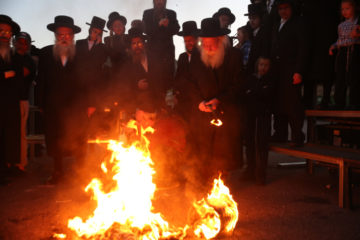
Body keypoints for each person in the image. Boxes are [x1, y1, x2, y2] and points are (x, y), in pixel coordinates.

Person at [186, 18, 244, 185]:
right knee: (203, 154)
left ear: (220, 40)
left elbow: (239, 84)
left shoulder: (234, 56)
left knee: (223, 156)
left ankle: (221, 187)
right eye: (204, 44)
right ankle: (204, 186)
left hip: (226, 113)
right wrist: (198, 102)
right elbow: (189, 82)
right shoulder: (197, 57)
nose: (208, 48)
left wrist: (220, 100)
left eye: (211, 44)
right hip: (202, 113)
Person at [36, 15, 86, 184]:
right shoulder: (45, 53)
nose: (64, 38)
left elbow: (86, 81)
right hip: (53, 105)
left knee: (79, 138)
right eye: (60, 35)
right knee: (55, 139)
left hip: (76, 107)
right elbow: (40, 80)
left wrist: (89, 104)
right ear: (55, 36)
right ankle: (58, 172)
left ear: (73, 36)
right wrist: (40, 103)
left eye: (68, 35)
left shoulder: (81, 55)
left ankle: (81, 173)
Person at [270, 0, 308, 147]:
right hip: (277, 70)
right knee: (278, 103)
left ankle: (297, 135)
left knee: (292, 103)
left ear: (292, 8)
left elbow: (303, 48)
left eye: (286, 8)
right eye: (280, 9)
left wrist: (299, 70)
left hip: (291, 69)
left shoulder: (298, 23)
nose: (283, 11)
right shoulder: (276, 25)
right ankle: (280, 133)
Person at [241, 57, 274, 185]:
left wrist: (254, 93)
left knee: (261, 144)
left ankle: (261, 174)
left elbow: (266, 95)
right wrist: (255, 93)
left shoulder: (270, 80)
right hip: (250, 114)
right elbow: (245, 94)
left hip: (263, 115)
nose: (263, 67)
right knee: (249, 143)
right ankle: (250, 170)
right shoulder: (251, 79)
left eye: (266, 65)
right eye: (261, 64)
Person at [0, 15, 24, 185]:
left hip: (9, 103)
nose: (4, 34)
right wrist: (4, 75)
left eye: (8, 32)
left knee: (8, 137)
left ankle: (6, 169)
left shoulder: (13, 55)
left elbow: (20, 75)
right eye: (1, 30)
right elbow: (12, 74)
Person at [142, 0, 180, 93]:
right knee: (154, 80)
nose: (160, 2)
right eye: (157, 0)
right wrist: (158, 24)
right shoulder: (147, 13)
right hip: (153, 53)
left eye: (162, 0)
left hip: (168, 53)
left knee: (168, 80)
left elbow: (176, 29)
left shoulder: (171, 13)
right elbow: (145, 29)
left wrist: (168, 25)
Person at [329, 0, 360, 109]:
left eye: (347, 8)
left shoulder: (357, 22)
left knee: (354, 76)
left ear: (354, 8)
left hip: (353, 50)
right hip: (342, 52)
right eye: (343, 9)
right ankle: (339, 102)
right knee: (340, 77)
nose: (345, 11)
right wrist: (334, 46)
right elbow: (340, 39)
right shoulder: (341, 25)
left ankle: (354, 102)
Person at [13, 32, 37, 171]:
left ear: (28, 45)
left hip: (21, 100)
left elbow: (20, 76)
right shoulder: (8, 57)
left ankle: (21, 164)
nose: (22, 45)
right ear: (15, 42)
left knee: (21, 133)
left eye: (24, 42)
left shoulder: (29, 61)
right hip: (6, 101)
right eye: (19, 42)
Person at [76, 16, 108, 118]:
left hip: (94, 84)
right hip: (80, 82)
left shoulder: (102, 47)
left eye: (99, 33)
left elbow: (101, 61)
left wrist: (99, 46)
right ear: (90, 30)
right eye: (95, 31)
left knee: (93, 114)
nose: (96, 34)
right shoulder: (79, 43)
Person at [174, 21, 200, 121]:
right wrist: (175, 92)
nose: (188, 43)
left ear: (197, 39)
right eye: (185, 41)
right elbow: (178, 77)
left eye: (191, 40)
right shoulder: (182, 57)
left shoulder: (202, 56)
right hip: (183, 102)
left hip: (197, 102)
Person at [245, 3, 271, 75]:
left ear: (260, 18)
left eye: (254, 18)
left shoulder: (265, 34)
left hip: (259, 72)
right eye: (250, 18)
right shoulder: (250, 33)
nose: (251, 21)